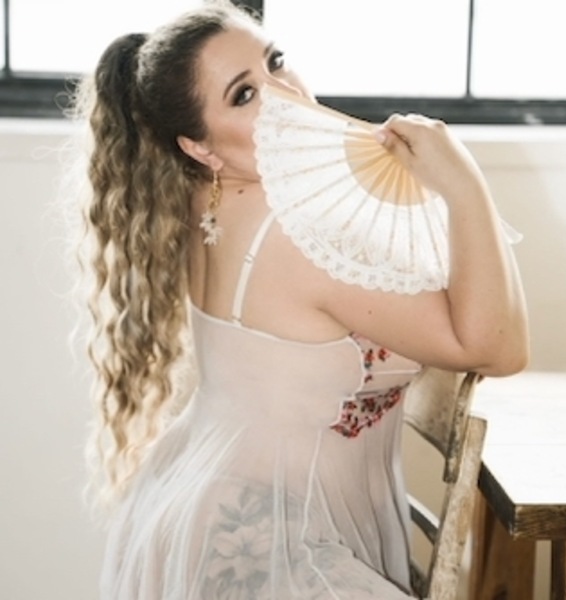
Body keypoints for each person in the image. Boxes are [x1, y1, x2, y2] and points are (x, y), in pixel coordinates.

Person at [70, 0, 529, 597]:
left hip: (205, 507)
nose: (284, 93)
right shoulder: (297, 229)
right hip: (272, 549)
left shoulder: (203, 198)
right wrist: (464, 182)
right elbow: (498, 348)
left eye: (276, 61)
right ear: (201, 148)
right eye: (244, 95)